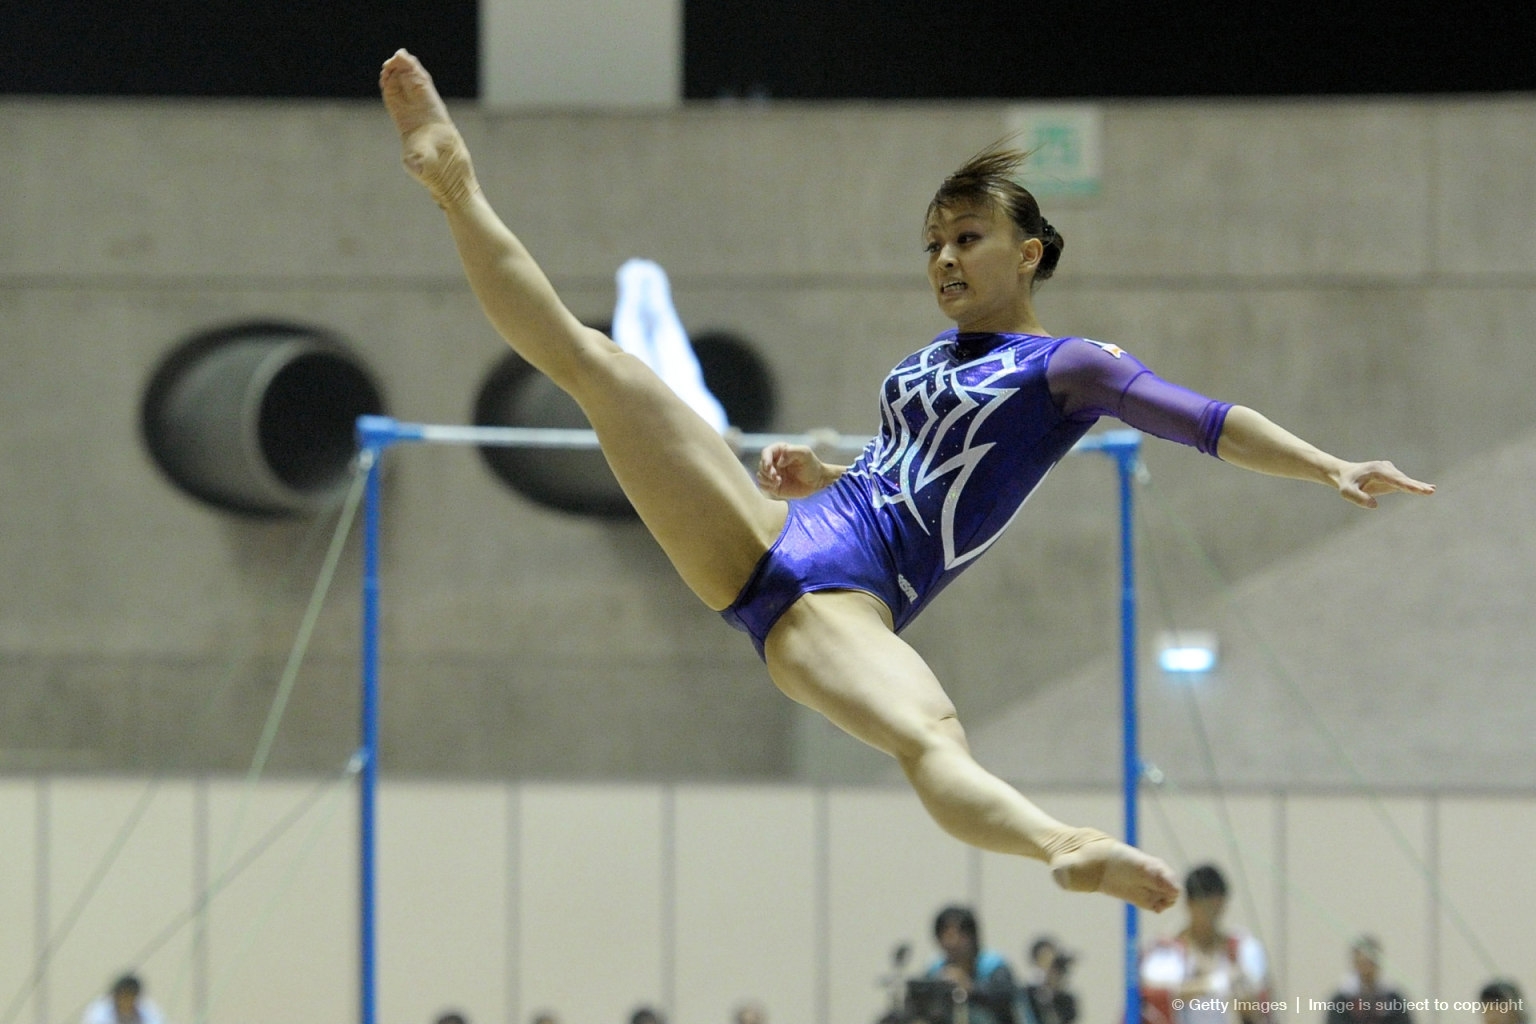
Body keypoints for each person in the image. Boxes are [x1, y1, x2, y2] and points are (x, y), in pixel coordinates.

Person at [378, 49, 1434, 913]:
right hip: (772, 532)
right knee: (596, 363)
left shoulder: (1071, 367)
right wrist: (825, 471)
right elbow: (909, 475)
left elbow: (1207, 422)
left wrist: (1328, 463)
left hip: (845, 603)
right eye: (932, 244)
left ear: (1030, 252)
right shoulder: (929, 358)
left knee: (928, 739)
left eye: (968, 238)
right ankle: (454, 187)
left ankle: (1063, 844)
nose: (944, 260)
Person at [1139, 865, 1272, 1024]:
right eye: (1205, 906)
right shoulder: (1165, 950)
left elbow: (1260, 1006)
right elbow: (1156, 995)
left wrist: (1244, 998)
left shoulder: (1244, 949)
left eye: (1217, 907)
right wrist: (1214, 984)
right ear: (1189, 903)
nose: (1211, 914)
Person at [922, 906, 1018, 1024]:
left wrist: (970, 987)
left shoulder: (993, 965)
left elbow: (1007, 997)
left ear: (972, 936)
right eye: (946, 935)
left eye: (959, 935)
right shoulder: (936, 969)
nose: (953, 942)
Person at [1323, 936, 1413, 1024]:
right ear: (1355, 963)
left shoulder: (1394, 999)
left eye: (1371, 962)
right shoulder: (1341, 1000)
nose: (1367, 969)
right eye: (1362, 962)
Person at [1020, 936, 1078, 1024]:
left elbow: (1069, 1016)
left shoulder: (1064, 996)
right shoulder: (1027, 992)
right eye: (1044, 958)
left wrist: (1055, 988)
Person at [80, 974, 166, 1024]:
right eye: (124, 997)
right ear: (115, 996)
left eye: (131, 997)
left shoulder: (148, 1010)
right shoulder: (98, 1013)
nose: (126, 1002)